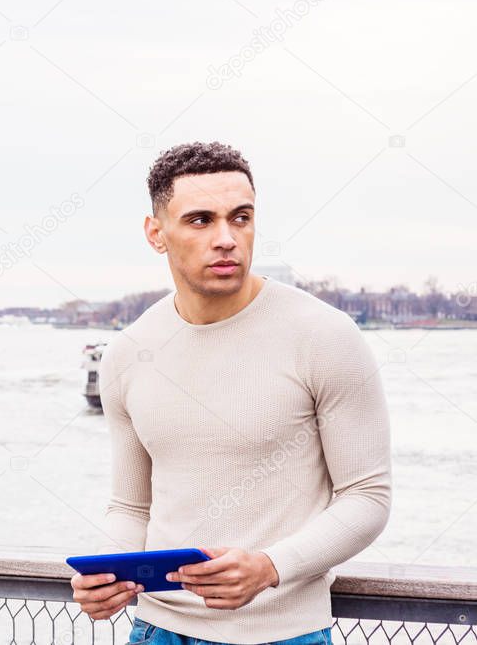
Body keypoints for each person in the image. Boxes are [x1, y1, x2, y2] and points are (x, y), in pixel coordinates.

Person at [70, 141, 391, 644]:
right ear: (156, 233)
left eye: (241, 218)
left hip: (284, 634)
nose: (226, 238)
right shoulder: (129, 353)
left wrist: (270, 566)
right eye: (200, 220)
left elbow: (367, 497)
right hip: (157, 630)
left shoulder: (326, 336)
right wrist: (107, 576)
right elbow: (132, 507)